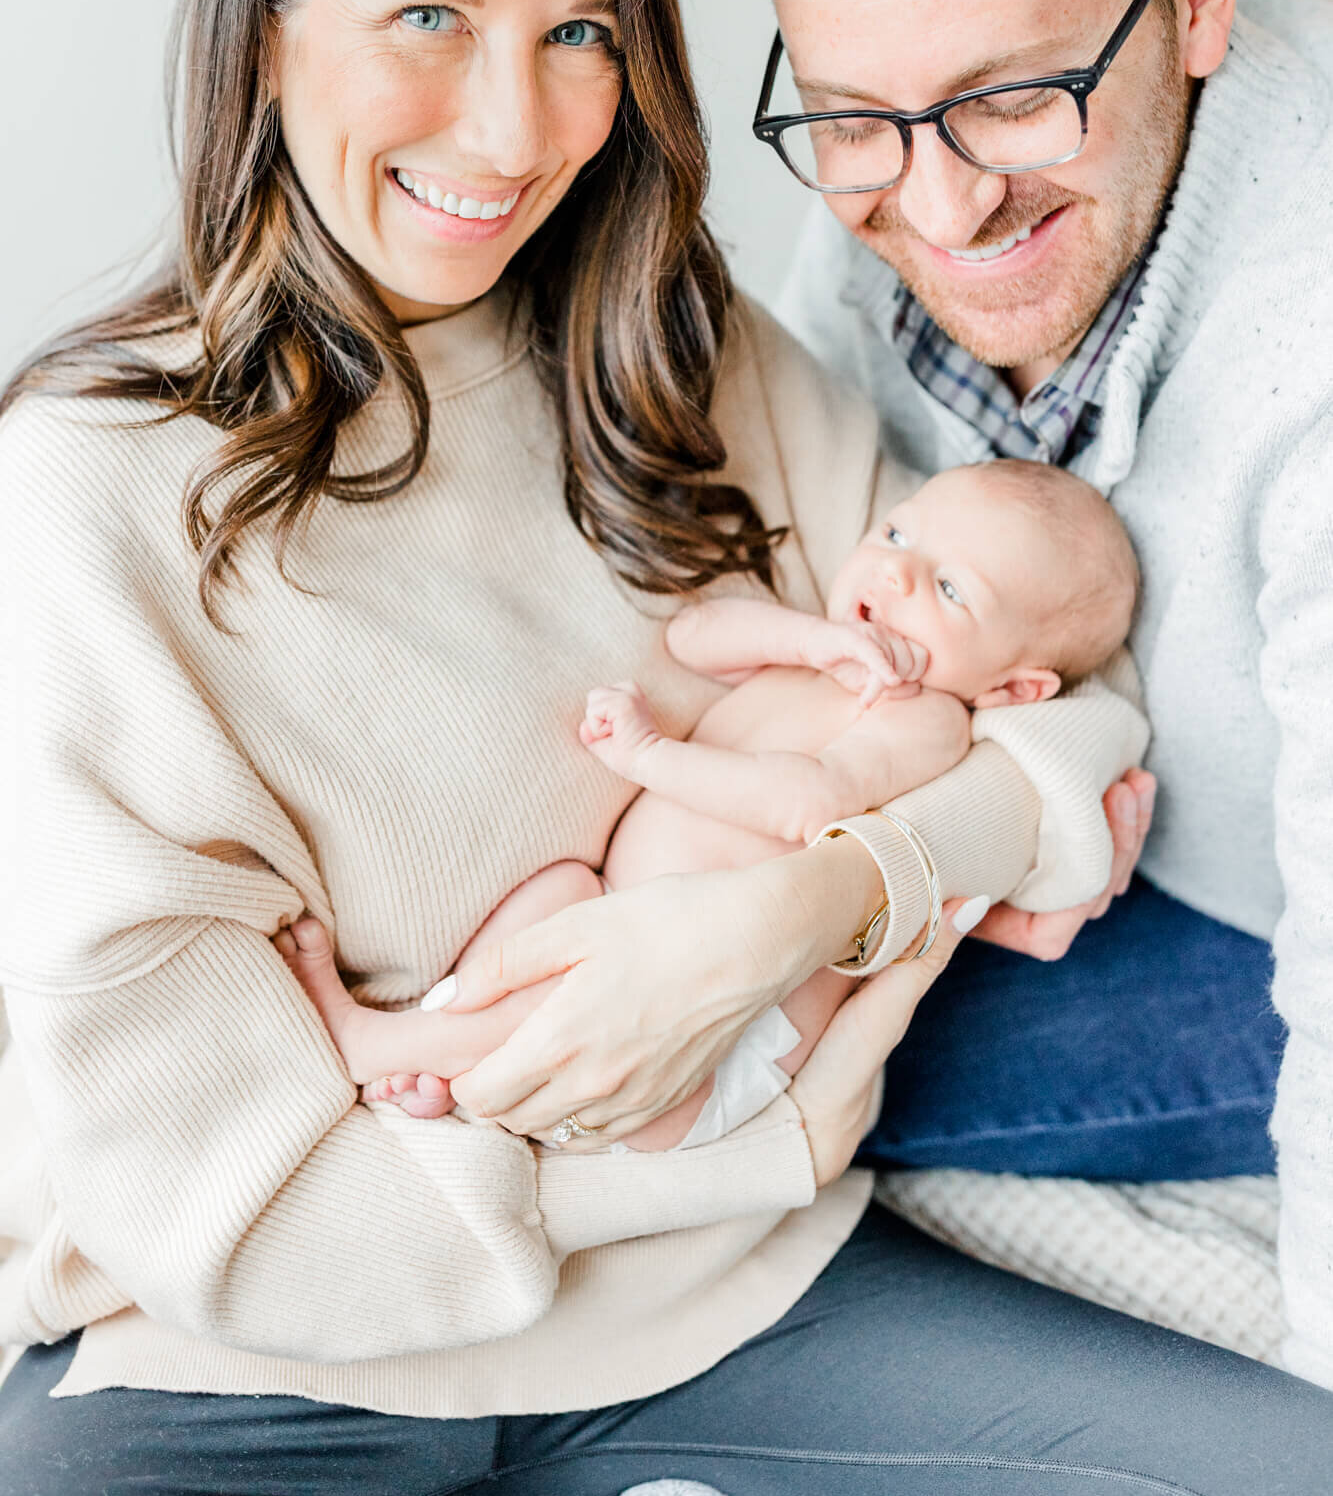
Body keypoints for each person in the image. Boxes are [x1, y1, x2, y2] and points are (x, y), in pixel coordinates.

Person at [2, 0, 1328, 1496]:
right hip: (260, 1366)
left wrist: (796, 909)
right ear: (266, 26)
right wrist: (713, 1131)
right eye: (427, 18)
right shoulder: (88, 487)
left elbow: (1063, 730)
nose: (513, 130)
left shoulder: (674, 353)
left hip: (753, 1304)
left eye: (580, 34)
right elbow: (220, 1188)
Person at [748, 0, 1332, 1383]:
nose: (931, 202)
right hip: (1099, 867)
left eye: (1014, 96)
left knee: (742, 1072)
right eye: (855, 118)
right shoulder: (907, 177)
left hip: (1254, 927)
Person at [277, 460, 1137, 1155]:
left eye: (951, 590)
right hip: (624, 926)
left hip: (723, 1038)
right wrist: (810, 639)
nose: (895, 571)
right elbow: (691, 637)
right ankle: (452, 1056)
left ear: (1011, 686)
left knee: (573, 986)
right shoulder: (821, 650)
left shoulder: (928, 721)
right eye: (898, 532)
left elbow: (810, 804)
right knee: (556, 895)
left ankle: (373, 1043)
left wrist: (653, 757)